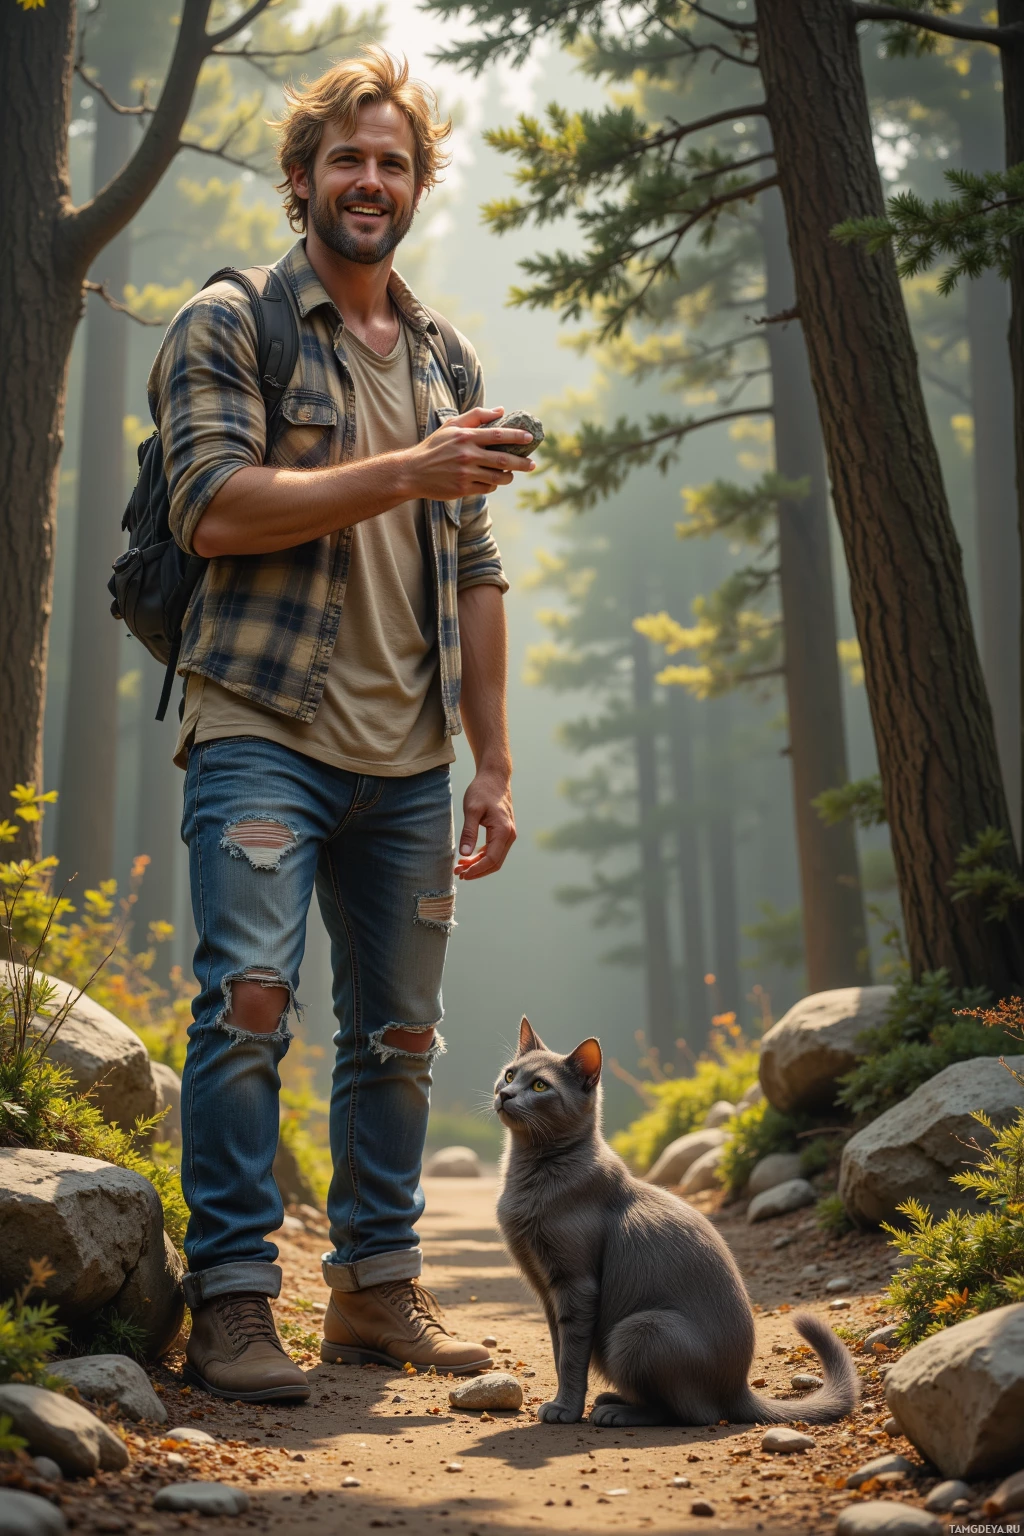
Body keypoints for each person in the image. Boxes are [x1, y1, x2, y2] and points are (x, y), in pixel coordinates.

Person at [149, 46, 532, 1403]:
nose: (370, 182)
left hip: (412, 763)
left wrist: (491, 759)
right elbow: (212, 505)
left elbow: (475, 566)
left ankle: (374, 1293)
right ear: (302, 178)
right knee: (250, 1009)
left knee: (403, 1040)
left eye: (394, 163)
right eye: (347, 160)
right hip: (261, 726)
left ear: (416, 185)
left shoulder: (445, 355)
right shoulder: (231, 318)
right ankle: (237, 1305)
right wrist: (408, 468)